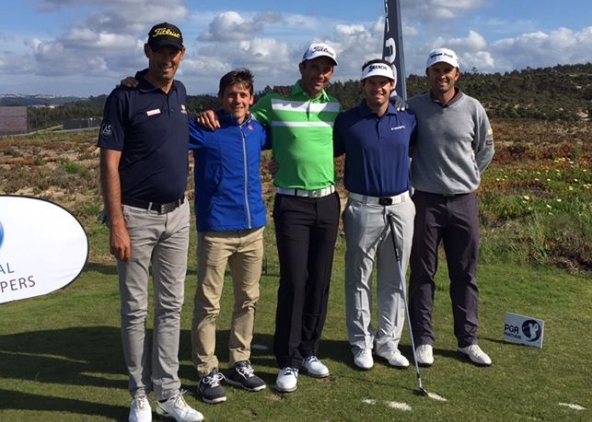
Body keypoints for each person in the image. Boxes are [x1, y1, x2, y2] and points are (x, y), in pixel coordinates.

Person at [198, 42, 341, 393]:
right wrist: (210, 112)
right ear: (302, 68)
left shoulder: (335, 107)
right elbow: (240, 119)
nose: (320, 73)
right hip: (292, 203)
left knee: (320, 281)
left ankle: (309, 350)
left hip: (327, 201)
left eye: (326, 68)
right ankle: (288, 359)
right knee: (294, 280)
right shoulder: (274, 102)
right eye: (314, 66)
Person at [97, 22, 204, 422]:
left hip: (177, 214)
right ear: (147, 52)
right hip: (136, 217)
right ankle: (139, 394)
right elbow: (108, 163)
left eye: (173, 52)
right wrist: (117, 223)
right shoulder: (124, 96)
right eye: (160, 51)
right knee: (135, 310)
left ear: (182, 54)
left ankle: (169, 393)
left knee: (171, 307)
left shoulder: (181, 93)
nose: (167, 58)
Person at [407, 47, 495, 368]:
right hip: (425, 201)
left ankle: (467, 340)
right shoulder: (413, 107)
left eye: (447, 70)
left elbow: (485, 149)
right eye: (436, 70)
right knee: (422, 272)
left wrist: (469, 177)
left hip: (463, 201)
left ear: (457, 74)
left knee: (465, 273)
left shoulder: (473, 108)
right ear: (427, 74)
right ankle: (423, 340)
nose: (441, 76)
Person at [188, 69, 270, 405]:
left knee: (247, 300)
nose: (237, 100)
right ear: (221, 98)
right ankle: (207, 369)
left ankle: (239, 362)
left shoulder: (257, 130)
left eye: (243, 95)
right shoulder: (204, 128)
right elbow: (164, 133)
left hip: (253, 230)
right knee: (209, 304)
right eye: (231, 94)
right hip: (216, 230)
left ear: (251, 99)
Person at [333, 59, 417, 371]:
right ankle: (361, 343)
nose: (378, 88)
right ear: (363, 85)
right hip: (362, 207)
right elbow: (321, 150)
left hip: (401, 206)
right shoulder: (347, 121)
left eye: (384, 82)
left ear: (392, 86)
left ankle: (388, 343)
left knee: (395, 278)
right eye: (372, 82)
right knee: (359, 278)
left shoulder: (407, 120)